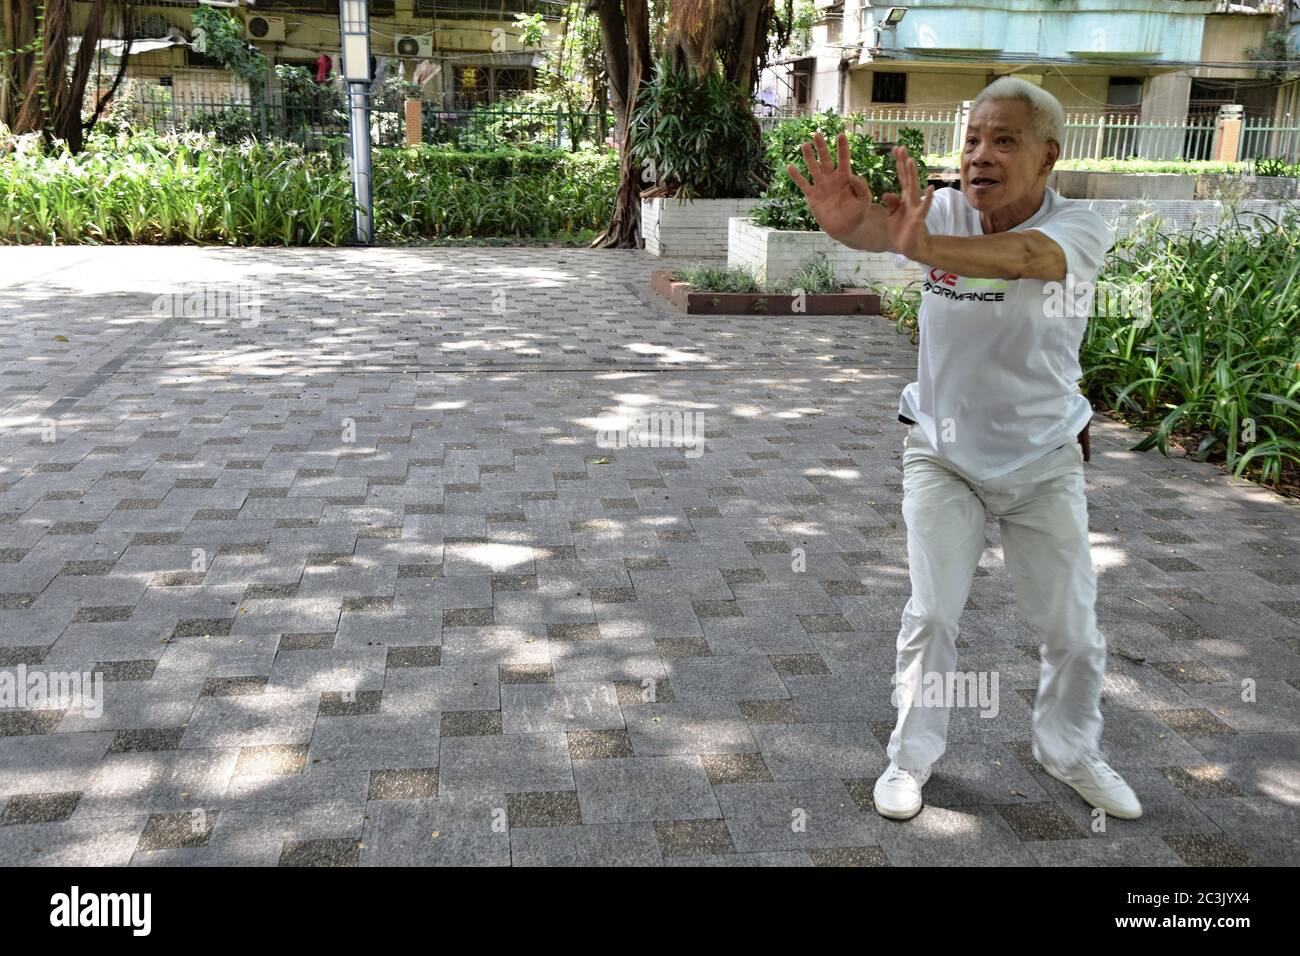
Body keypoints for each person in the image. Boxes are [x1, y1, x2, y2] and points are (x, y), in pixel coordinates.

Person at [787, 77, 1141, 822]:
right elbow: (879, 232)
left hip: (1044, 458)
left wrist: (921, 245)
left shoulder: (1080, 225)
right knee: (933, 615)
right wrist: (847, 225)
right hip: (941, 454)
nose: (980, 155)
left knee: (1071, 629)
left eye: (1003, 140)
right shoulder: (940, 209)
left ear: (1047, 156)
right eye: (973, 138)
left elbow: (1022, 260)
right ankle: (909, 760)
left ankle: (1069, 750)